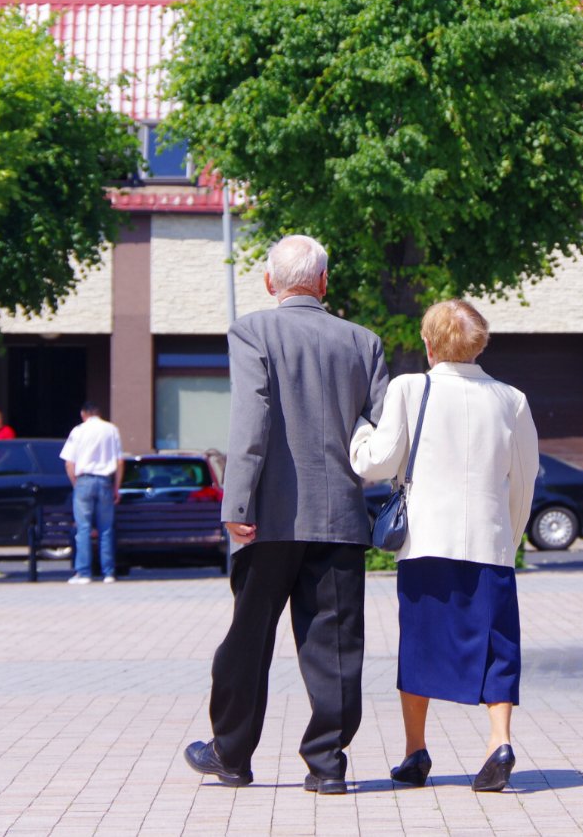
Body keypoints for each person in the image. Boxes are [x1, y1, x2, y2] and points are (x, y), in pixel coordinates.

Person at [184, 234, 388, 796]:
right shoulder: (364, 342)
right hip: (342, 518)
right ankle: (327, 765)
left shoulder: (252, 331)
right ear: (324, 282)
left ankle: (231, 755)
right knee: (336, 644)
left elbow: (252, 421)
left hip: (267, 517)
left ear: (271, 283)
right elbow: (384, 433)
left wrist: (237, 502)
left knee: (248, 640)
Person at [350, 299, 539, 793]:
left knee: (420, 646)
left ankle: (415, 752)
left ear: (428, 344)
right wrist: (509, 538)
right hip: (490, 544)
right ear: (480, 344)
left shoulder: (411, 388)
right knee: (499, 646)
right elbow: (524, 481)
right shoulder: (511, 399)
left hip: (426, 542)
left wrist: (358, 433)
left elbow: (377, 462)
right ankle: (499, 740)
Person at [59, 402, 124, 584]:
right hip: (105, 481)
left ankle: (84, 572)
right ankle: (108, 572)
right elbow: (120, 462)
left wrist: (76, 484)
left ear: (83, 413)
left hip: (84, 480)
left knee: (84, 528)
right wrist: (116, 487)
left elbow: (69, 463)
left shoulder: (78, 431)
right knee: (106, 529)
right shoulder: (111, 430)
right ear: (99, 413)